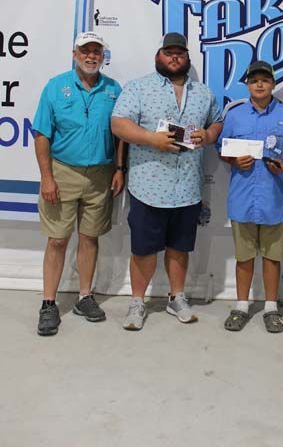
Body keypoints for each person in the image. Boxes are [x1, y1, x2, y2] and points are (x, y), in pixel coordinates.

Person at [111, 32, 223, 331]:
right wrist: (151, 139)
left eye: (180, 53)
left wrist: (209, 135)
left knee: (179, 247)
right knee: (144, 250)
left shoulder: (203, 93)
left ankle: (177, 297)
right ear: (158, 56)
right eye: (169, 52)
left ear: (187, 58)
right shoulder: (138, 88)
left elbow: (217, 120)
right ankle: (137, 301)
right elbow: (119, 124)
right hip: (148, 186)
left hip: (187, 187)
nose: (175, 57)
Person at [33, 32, 126, 336]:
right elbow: (42, 134)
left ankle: (85, 297)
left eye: (96, 51)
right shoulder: (55, 87)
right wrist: (47, 177)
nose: (91, 56)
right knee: (57, 240)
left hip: (100, 174)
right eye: (85, 51)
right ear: (75, 54)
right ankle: (49, 303)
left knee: (90, 238)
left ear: (103, 56)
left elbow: (120, 134)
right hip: (63, 172)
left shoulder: (113, 89)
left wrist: (119, 168)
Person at [218, 61, 283, 333]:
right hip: (243, 198)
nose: (259, 84)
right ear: (246, 83)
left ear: (273, 83)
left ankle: (271, 307)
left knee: (272, 257)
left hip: (274, 198)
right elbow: (222, 148)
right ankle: (241, 305)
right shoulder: (234, 116)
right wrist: (233, 160)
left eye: (264, 79)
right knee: (243, 256)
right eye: (254, 79)